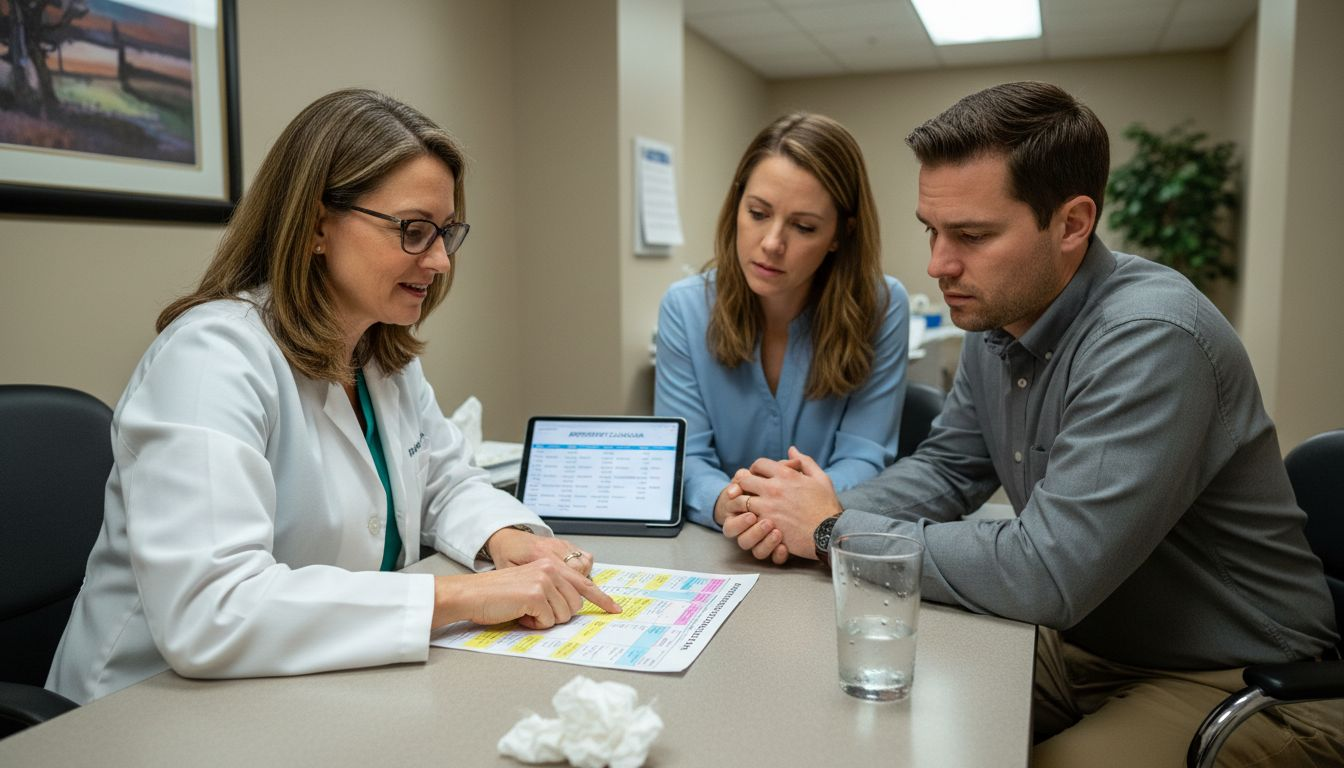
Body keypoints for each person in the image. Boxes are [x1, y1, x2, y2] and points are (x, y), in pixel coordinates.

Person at [723, 82, 1343, 765]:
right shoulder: (1000, 321)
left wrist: (832, 528)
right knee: (843, 706)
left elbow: (1047, 571)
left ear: (1073, 223)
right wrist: (792, 511)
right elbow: (947, 470)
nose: (938, 265)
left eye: (973, 235)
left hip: (1234, 674)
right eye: (932, 230)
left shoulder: (1153, 338)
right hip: (1085, 645)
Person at [47, 89, 619, 705]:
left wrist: (510, 540)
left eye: (446, 233)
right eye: (414, 230)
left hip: (309, 685)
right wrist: (459, 597)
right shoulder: (210, 360)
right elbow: (210, 610)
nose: (440, 261)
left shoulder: (377, 353)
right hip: (143, 711)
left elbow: (444, 482)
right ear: (318, 224)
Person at [654, 112, 907, 551]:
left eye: (804, 226)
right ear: (737, 205)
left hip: (828, 547)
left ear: (839, 235)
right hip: (724, 545)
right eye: (757, 213)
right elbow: (684, 457)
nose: (772, 242)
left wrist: (798, 513)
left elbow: (864, 457)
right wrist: (727, 504)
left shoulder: (883, 307)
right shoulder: (685, 307)